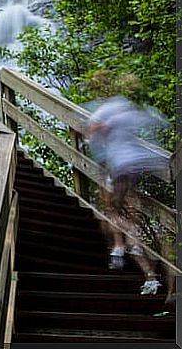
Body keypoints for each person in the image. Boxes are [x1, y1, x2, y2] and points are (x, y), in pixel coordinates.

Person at [84, 73, 168, 295]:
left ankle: (126, 252)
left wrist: (99, 134)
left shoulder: (110, 111)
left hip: (119, 165)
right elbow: (155, 120)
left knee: (114, 211)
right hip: (134, 165)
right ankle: (127, 251)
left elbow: (94, 128)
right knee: (121, 210)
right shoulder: (128, 108)